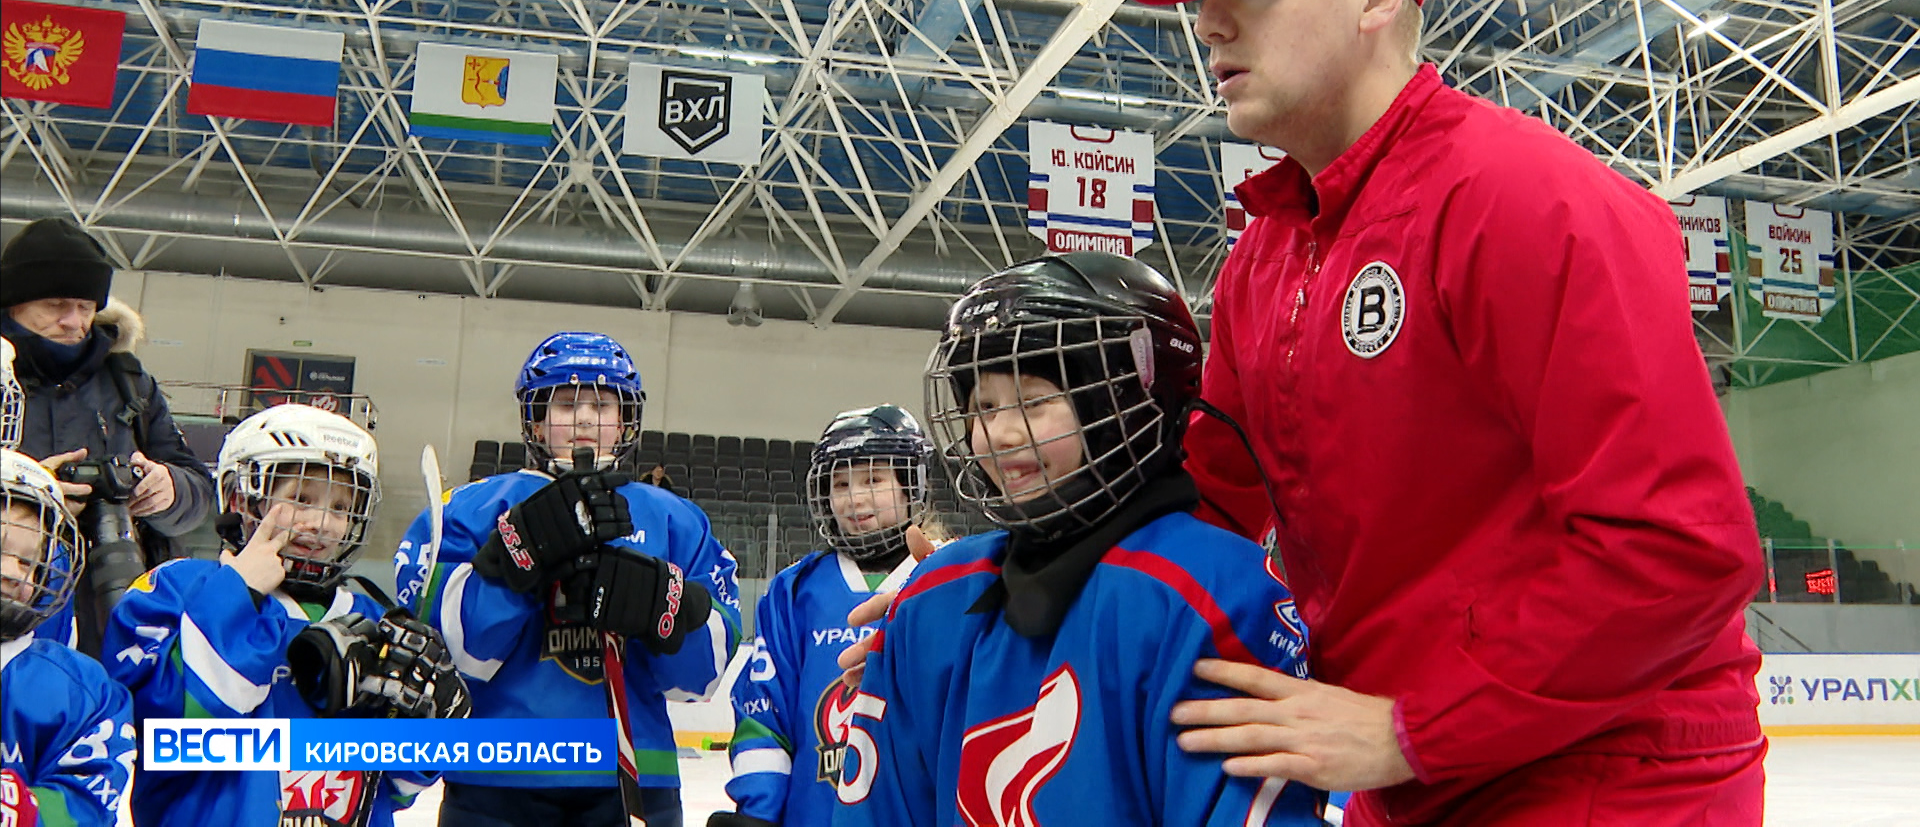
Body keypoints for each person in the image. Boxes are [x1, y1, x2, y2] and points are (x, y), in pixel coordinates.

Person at [1108, 0, 1765, 824]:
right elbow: (1203, 506)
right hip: (1407, 768)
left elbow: (1677, 548)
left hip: (1608, 775)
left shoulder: (1523, 196)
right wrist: (976, 606)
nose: (1208, 23)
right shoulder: (1265, 259)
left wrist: (1413, 729)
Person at [834, 252, 1326, 827]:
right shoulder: (936, 596)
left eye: (1034, 401)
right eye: (983, 405)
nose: (1000, 432)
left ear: (1128, 405)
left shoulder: (1218, 594)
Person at [399, 331, 742, 827]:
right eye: (565, 404)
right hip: (496, 776)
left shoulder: (675, 519)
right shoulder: (475, 509)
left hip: (634, 778)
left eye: (601, 404)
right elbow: (451, 653)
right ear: (537, 423)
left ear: (624, 421)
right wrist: (512, 566)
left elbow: (702, 678)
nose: (583, 418)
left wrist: (662, 609)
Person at [103, 403, 470, 827]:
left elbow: (394, 789)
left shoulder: (371, 618)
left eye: (340, 507)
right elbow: (170, 730)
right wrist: (238, 593)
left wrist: (425, 733)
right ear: (243, 498)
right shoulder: (170, 591)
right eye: (301, 499)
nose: (322, 523)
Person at [2, 216, 216, 655]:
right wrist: (29, 493)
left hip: (117, 609)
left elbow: (198, 492)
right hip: (12, 597)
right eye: (56, 304)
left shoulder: (129, 383)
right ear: (12, 305)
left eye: (84, 306)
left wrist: (170, 490)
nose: (73, 321)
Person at [712, 404, 931, 827]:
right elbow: (764, 712)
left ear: (909, 485)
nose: (855, 498)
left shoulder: (944, 580)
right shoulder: (795, 592)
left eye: (873, 479)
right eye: (841, 482)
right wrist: (759, 811)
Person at [1, 448, 136, 826]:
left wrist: (20, 810)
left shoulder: (80, 687)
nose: (14, 573)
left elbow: (89, 800)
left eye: (29, 562)